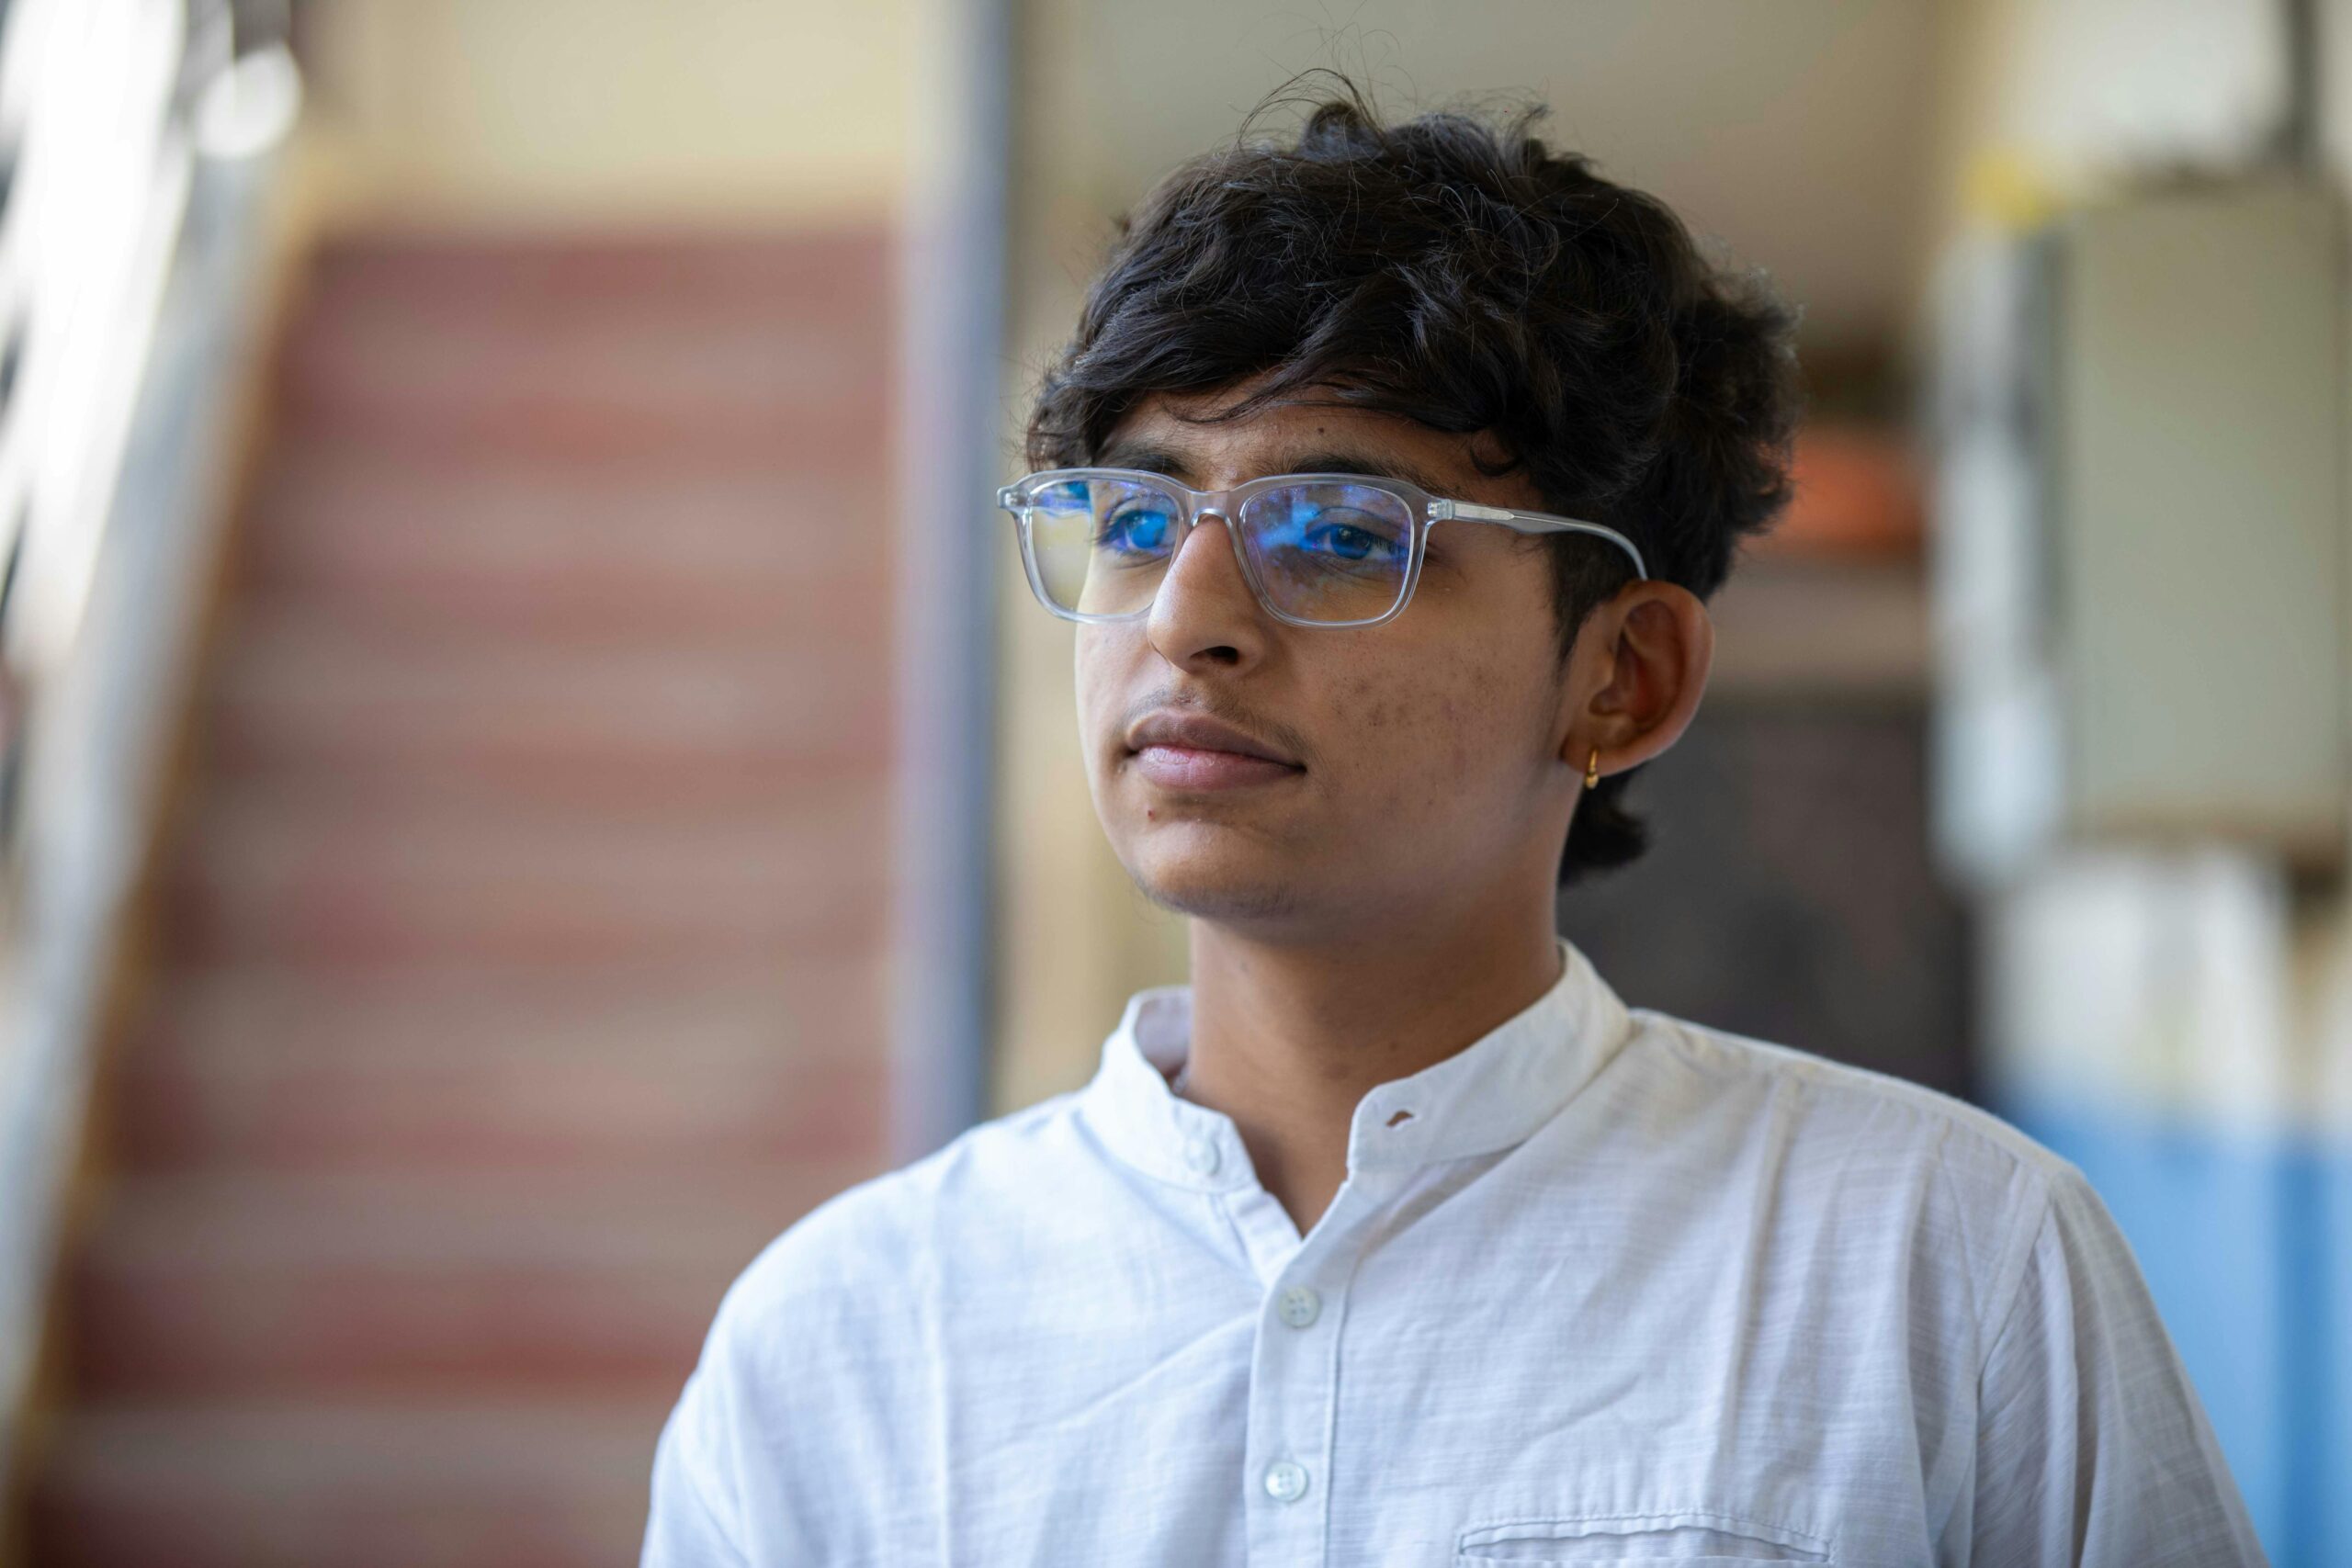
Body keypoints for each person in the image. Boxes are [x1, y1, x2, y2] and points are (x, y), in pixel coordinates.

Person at [641, 78, 2265, 1566]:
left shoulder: (1945, 1271)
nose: (1184, 619)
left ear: (1622, 678)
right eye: (1135, 517)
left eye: (1342, 532)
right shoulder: (846, 1346)